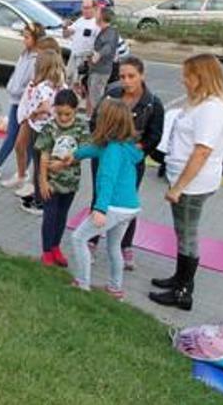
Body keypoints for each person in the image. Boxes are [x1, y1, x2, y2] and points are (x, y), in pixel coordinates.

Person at [149, 54, 223, 311]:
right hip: (185, 179)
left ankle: (184, 292)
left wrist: (178, 187)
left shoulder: (212, 109)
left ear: (202, 77)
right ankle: (179, 279)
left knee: (187, 234)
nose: (183, 80)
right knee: (182, 232)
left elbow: (201, 152)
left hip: (193, 184)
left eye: (188, 75)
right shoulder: (201, 103)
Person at [86, 56, 164, 270]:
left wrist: (137, 149)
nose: (126, 81)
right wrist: (102, 143)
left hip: (130, 162)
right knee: (99, 194)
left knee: (126, 201)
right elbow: (94, 122)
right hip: (105, 155)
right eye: (122, 76)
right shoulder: (112, 94)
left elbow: (155, 136)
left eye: (131, 76)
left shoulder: (153, 103)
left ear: (142, 75)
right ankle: (92, 240)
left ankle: (125, 245)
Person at [66, 99, 143, 300]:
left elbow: (108, 179)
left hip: (113, 207)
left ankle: (82, 283)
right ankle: (115, 288)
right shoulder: (123, 146)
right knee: (113, 246)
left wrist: (100, 209)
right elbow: (94, 149)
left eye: (100, 117)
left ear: (107, 122)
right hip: (130, 208)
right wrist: (75, 155)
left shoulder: (113, 151)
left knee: (78, 237)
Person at [0, 23, 44, 180]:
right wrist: (11, 86)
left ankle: (5, 168)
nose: (23, 40)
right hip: (16, 100)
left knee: (22, 139)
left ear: (36, 39)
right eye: (23, 36)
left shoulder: (37, 59)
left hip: (25, 103)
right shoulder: (24, 54)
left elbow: (32, 82)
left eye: (27, 37)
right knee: (15, 137)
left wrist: (19, 91)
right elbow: (17, 73)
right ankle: (5, 168)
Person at [34, 89, 89, 267]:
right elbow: (43, 155)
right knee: (50, 216)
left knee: (62, 215)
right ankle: (47, 251)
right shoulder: (50, 127)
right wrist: (43, 181)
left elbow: (84, 151)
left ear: (75, 110)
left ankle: (56, 246)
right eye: (59, 113)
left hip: (71, 182)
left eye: (68, 114)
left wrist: (64, 163)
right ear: (54, 109)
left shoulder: (81, 127)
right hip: (51, 182)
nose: (63, 118)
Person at [11, 48, 66, 207]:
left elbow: (46, 107)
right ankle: (41, 195)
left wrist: (33, 113)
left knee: (38, 164)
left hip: (40, 129)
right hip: (54, 129)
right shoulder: (61, 85)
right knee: (45, 164)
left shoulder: (43, 87)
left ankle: (39, 200)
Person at [85, 8, 119, 117]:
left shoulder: (110, 32)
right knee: (93, 96)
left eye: (98, 13)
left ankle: (101, 122)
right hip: (95, 70)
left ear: (102, 17)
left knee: (97, 99)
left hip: (101, 71)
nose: (95, 15)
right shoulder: (104, 31)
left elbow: (108, 47)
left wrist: (98, 55)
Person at [63, 0, 98, 89]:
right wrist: (65, 27)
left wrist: (90, 61)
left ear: (94, 8)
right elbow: (66, 35)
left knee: (79, 85)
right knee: (67, 81)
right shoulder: (80, 20)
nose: (84, 10)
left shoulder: (97, 23)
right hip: (73, 56)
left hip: (85, 59)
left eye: (87, 8)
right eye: (83, 8)